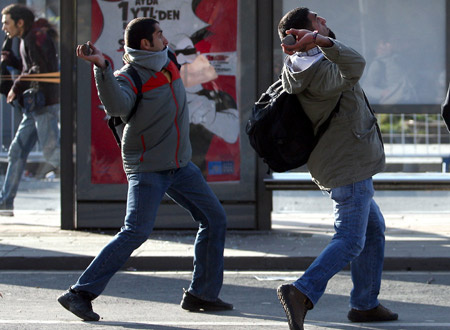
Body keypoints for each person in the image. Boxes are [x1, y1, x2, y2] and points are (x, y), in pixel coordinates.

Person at [57, 17, 232, 321]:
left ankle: (201, 294)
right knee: (135, 231)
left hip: (179, 164)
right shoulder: (129, 76)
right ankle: (79, 293)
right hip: (148, 165)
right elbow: (117, 107)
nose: (165, 38)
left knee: (214, 218)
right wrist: (102, 67)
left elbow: (205, 74)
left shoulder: (171, 61)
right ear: (144, 44)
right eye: (159, 34)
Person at [276, 7, 398, 329]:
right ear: (304, 35)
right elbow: (355, 65)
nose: (325, 23)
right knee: (350, 238)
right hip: (348, 165)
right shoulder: (317, 71)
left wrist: (317, 42)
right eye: (317, 22)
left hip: (342, 159)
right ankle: (301, 291)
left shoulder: (306, 64)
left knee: (373, 229)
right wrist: (320, 41)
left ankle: (365, 304)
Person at [0, 4, 60, 217]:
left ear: (20, 22)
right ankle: (5, 203)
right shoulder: (27, 39)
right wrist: (12, 60)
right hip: (35, 106)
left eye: (6, 23)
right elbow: (32, 67)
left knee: (53, 153)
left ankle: (82, 183)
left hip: (43, 105)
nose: (4, 28)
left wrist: (16, 87)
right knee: (17, 150)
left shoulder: (35, 37)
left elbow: (39, 70)